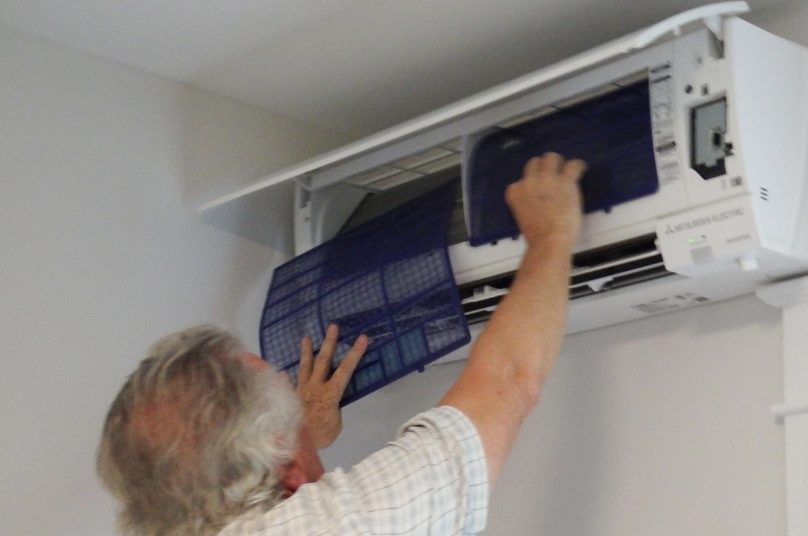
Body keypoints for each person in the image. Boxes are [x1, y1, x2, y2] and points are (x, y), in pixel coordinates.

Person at [97, 152, 588, 535]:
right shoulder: (344, 526)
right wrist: (551, 236)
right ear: (287, 472)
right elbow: (509, 381)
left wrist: (300, 434)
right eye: (286, 397)